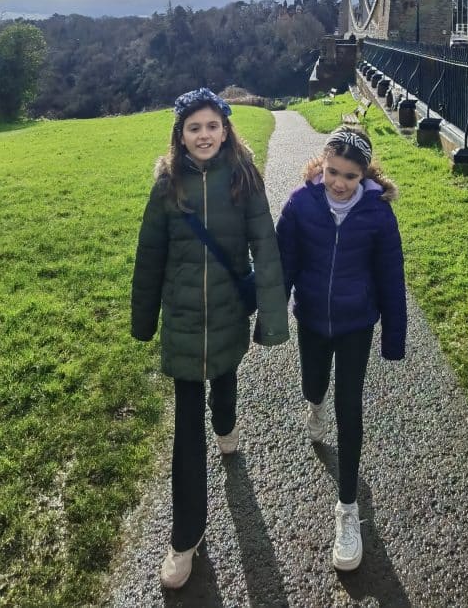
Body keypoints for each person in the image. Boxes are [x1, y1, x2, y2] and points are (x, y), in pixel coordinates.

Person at [130, 87, 289, 590]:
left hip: (226, 314)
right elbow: (149, 255)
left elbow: (266, 247)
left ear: (225, 130)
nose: (204, 135)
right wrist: (143, 320)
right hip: (181, 320)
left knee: (224, 378)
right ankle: (185, 537)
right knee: (186, 432)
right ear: (180, 135)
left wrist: (271, 319)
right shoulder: (167, 185)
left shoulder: (244, 177)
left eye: (212, 126)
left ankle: (227, 423)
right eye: (194, 127)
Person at [275, 125, 407, 572]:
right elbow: (283, 264)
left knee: (350, 407)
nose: (339, 183)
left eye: (351, 176)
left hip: (356, 323)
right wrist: (271, 316)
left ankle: (347, 509)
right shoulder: (300, 203)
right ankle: (314, 407)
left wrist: (394, 336)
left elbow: (391, 276)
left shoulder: (377, 214)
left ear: (364, 174)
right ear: (323, 164)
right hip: (312, 318)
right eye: (333, 172)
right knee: (313, 384)